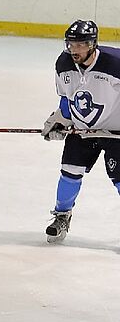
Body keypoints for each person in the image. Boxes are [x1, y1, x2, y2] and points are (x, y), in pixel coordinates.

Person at [42, 20, 120, 243]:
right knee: (69, 172)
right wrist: (61, 120)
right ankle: (62, 216)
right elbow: (66, 97)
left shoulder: (115, 63)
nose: (74, 50)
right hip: (82, 131)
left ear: (92, 44)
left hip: (115, 132)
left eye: (80, 45)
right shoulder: (64, 63)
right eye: (71, 44)